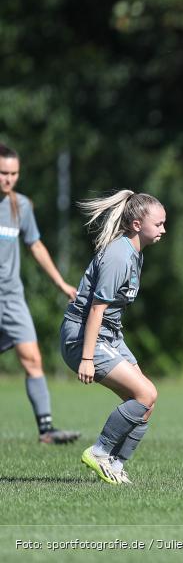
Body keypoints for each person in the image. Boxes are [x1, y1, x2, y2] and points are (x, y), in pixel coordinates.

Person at [60, 190, 166, 484]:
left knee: (147, 400)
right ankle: (99, 452)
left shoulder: (135, 253)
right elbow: (95, 310)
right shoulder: (119, 255)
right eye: (158, 224)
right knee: (144, 395)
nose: (163, 230)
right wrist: (87, 357)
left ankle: (116, 464)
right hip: (83, 337)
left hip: (110, 335)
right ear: (136, 225)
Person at [0, 142, 80, 444]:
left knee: (32, 358)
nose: (8, 179)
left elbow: (35, 245)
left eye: (14, 173)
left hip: (11, 297)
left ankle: (46, 430)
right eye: (3, 173)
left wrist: (60, 283)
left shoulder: (21, 206)